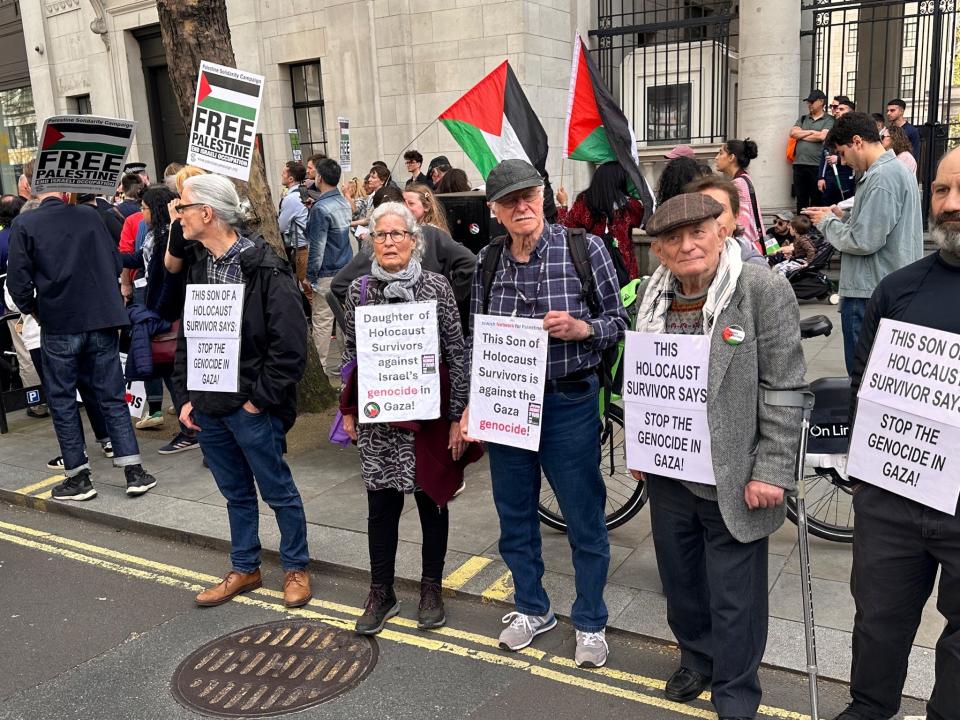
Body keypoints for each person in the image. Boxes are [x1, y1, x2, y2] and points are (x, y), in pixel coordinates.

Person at [630, 192, 807, 720]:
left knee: (736, 600)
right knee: (682, 585)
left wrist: (773, 468)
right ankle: (697, 658)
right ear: (658, 251)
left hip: (737, 474)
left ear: (721, 232)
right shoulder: (653, 295)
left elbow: (785, 386)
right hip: (670, 474)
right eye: (671, 239)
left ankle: (736, 691)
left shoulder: (760, 288)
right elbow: (646, 374)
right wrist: (642, 440)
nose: (686, 246)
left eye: (698, 233)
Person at [460, 159, 627, 668]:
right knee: (514, 516)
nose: (521, 206)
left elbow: (619, 320)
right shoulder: (486, 261)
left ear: (545, 196)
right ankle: (532, 608)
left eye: (528, 195)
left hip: (568, 402)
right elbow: (474, 342)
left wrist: (582, 329)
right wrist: (471, 404)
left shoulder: (585, 247)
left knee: (583, 517)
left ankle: (591, 619)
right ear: (495, 211)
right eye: (509, 201)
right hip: (506, 406)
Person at [832, 146, 960, 720]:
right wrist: (868, 477)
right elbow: (867, 382)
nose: (951, 205)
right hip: (895, 497)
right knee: (879, 621)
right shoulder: (900, 288)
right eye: (941, 191)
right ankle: (867, 709)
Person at [171, 173, 311, 609]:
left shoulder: (265, 267)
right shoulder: (197, 264)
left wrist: (257, 401)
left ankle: (295, 567)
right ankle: (245, 567)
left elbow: (290, 346)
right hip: (209, 406)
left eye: (183, 207)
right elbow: (187, 337)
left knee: (278, 491)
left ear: (207, 213)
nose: (178, 216)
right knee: (235, 493)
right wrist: (186, 397)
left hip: (250, 408)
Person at [339, 202, 474, 634]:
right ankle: (382, 591)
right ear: (371, 242)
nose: (390, 242)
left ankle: (431, 588)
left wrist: (458, 418)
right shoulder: (358, 291)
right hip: (379, 422)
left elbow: (456, 351)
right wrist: (347, 409)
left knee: (431, 503)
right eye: (381, 235)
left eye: (399, 234)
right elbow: (351, 357)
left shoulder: (436, 287)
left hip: (428, 419)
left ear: (415, 241)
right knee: (380, 508)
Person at [6, 189, 158, 501]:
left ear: (32, 189)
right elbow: (114, 262)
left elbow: (17, 283)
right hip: (100, 318)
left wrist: (35, 309)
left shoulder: (26, 224)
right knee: (113, 396)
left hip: (59, 322)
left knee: (62, 400)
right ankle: (134, 472)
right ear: (63, 190)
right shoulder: (89, 215)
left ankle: (78, 477)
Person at [802, 111, 923, 375]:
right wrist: (841, 216)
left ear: (857, 141)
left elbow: (864, 240)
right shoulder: (890, 173)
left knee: (863, 378)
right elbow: (878, 228)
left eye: (843, 153)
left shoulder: (882, 178)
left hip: (869, 292)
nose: (843, 162)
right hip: (881, 287)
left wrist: (825, 222)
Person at [555, 161, 645, 279]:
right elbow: (646, 222)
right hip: (625, 268)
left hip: (594, 266)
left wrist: (563, 205)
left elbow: (565, 229)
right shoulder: (631, 206)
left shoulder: (584, 203)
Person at [305, 158, 353, 381]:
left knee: (323, 322)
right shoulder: (343, 202)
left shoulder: (320, 208)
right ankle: (347, 366)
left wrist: (310, 276)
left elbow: (317, 246)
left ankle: (322, 369)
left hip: (326, 271)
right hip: (346, 269)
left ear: (320, 178)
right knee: (344, 320)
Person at [684, 174, 767, 266]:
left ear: (736, 217)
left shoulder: (756, 269)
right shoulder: (680, 263)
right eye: (703, 210)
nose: (712, 218)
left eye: (720, 210)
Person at [714, 138, 763, 253]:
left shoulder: (738, 184)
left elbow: (742, 221)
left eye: (721, 153)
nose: (716, 157)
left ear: (731, 157)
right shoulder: (744, 178)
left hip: (744, 249)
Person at [790, 89, 835, 213]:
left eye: (812, 101)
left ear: (821, 102)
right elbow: (793, 133)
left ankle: (813, 227)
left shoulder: (829, 120)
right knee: (801, 198)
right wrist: (812, 132)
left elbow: (823, 137)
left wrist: (802, 134)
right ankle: (800, 227)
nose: (809, 104)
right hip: (799, 164)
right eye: (808, 102)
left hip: (816, 165)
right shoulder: (803, 118)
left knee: (816, 198)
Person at [278, 160, 311, 300]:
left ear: (291, 178)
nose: (281, 174)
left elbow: (281, 226)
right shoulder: (303, 193)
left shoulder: (290, 198)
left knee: (308, 290)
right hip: (309, 245)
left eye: (284, 172)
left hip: (302, 249)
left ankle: (320, 322)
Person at [818, 96, 857, 206]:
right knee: (827, 205)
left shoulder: (856, 129)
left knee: (844, 205)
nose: (837, 111)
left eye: (841, 109)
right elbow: (824, 154)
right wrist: (821, 177)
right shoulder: (833, 130)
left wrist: (839, 159)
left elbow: (857, 153)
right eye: (836, 109)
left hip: (846, 175)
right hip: (830, 176)